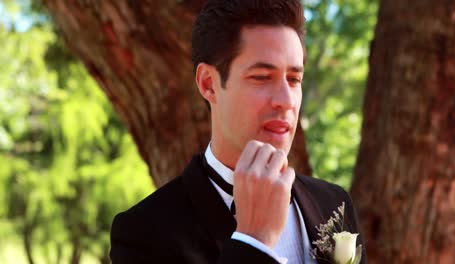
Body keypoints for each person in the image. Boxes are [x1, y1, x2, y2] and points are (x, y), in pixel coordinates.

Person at [110, 0, 366, 263]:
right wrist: (253, 241)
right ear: (209, 84)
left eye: (294, 79)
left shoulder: (333, 203)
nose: (286, 100)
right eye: (262, 77)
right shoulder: (143, 233)